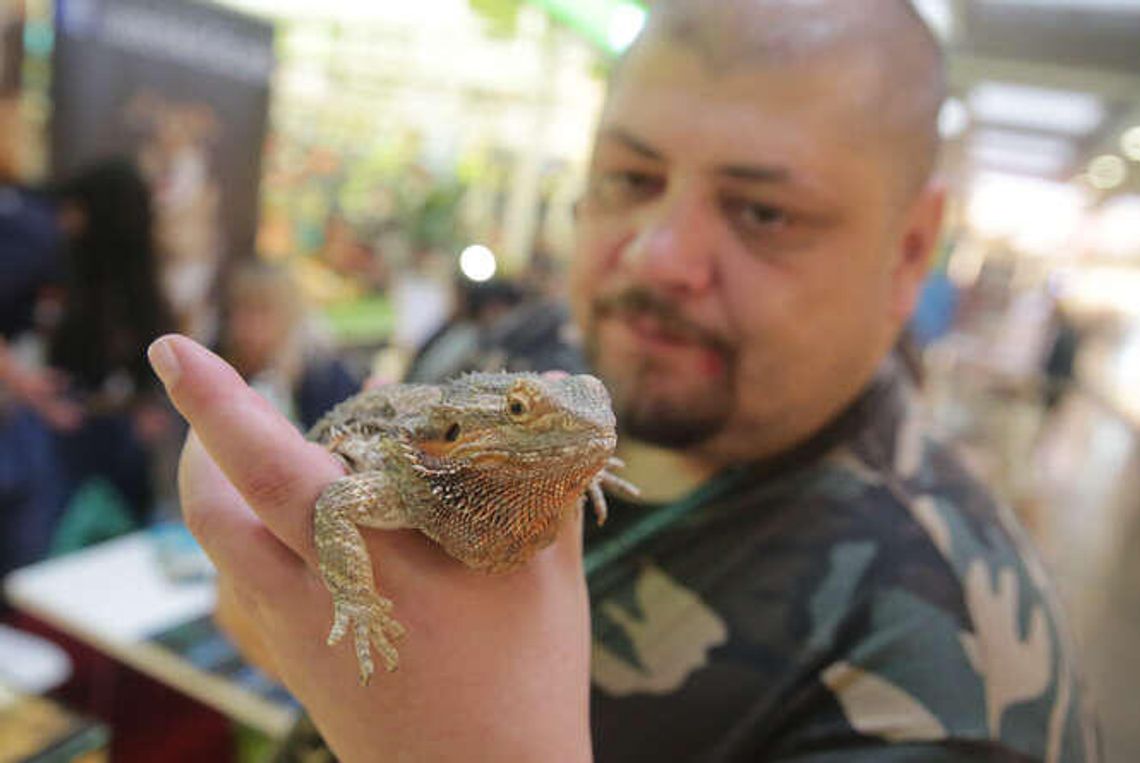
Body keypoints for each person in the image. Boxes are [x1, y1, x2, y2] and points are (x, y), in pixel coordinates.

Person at [149, 1, 1098, 760]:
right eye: (631, 178)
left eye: (764, 211)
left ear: (913, 250)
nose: (656, 256)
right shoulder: (531, 342)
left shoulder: (956, 676)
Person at [216, 258, 359, 431]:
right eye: (241, 310)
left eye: (263, 310)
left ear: (290, 314)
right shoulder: (220, 369)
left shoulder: (326, 378)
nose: (250, 323)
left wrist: (279, 383)